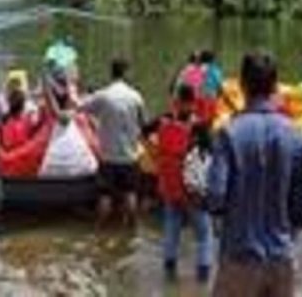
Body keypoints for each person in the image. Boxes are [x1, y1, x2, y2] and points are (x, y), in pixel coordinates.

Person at [207, 52, 302, 297]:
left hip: (239, 258)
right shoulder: (297, 137)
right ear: (276, 87)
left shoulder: (228, 134)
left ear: (242, 85)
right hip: (281, 260)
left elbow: (215, 199)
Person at [154, 84, 213, 283]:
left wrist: (157, 156)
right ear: (193, 102)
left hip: (170, 186)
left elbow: (144, 130)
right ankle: (202, 282)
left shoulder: (164, 120)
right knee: (204, 234)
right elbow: (210, 155)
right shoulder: (200, 127)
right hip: (192, 189)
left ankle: (169, 277)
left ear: (177, 101)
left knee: (171, 229)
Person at [80, 58, 146, 225]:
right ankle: (132, 230)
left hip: (107, 156)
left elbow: (81, 107)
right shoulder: (136, 96)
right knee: (130, 193)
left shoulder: (103, 95)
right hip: (129, 155)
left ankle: (100, 229)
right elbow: (143, 123)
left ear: (111, 73)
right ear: (126, 73)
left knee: (105, 196)